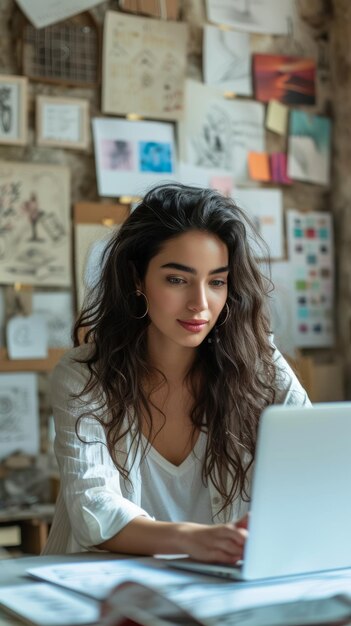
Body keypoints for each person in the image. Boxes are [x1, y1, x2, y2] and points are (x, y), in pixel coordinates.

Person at [43, 183, 311, 561]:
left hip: (218, 598)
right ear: (138, 279)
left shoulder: (260, 368)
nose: (200, 304)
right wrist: (192, 539)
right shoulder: (83, 376)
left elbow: (317, 464)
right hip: (97, 601)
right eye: (177, 279)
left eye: (217, 281)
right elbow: (94, 510)